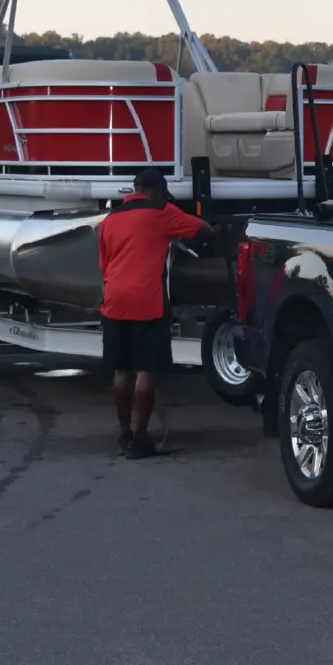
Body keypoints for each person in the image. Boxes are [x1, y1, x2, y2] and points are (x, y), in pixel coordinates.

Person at [98, 167, 213, 459]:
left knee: (121, 370)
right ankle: (140, 439)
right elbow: (203, 229)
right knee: (145, 370)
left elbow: (105, 264)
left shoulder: (110, 220)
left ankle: (124, 434)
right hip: (147, 303)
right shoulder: (162, 211)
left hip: (113, 301)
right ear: (155, 191)